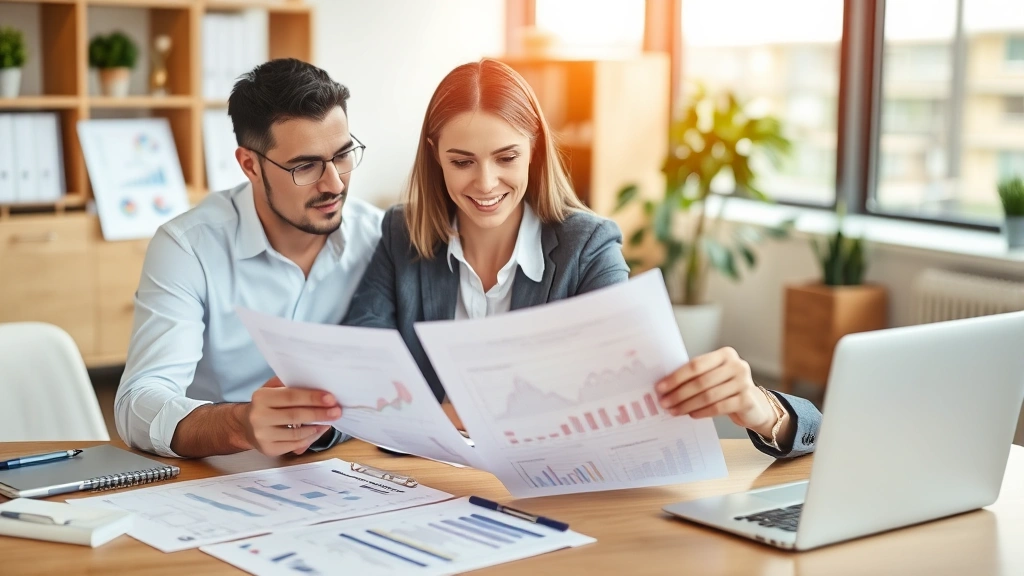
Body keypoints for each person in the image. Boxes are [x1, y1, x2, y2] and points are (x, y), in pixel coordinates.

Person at [344, 58, 821, 459]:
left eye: (506, 157)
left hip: (556, 492)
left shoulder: (587, 246)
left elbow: (633, 390)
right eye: (462, 161)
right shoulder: (402, 233)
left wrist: (765, 411)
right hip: (424, 487)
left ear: (534, 148)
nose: (485, 183)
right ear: (435, 156)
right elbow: (358, 372)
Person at [115, 59, 382, 459]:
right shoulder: (188, 247)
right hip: (219, 474)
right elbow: (138, 404)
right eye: (305, 166)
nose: (334, 183)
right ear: (249, 165)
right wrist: (239, 425)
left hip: (339, 469)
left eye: (343, 155)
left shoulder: (379, 238)